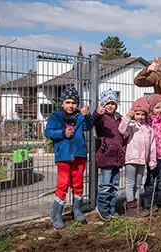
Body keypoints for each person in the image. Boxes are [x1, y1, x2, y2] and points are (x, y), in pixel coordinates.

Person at [44, 87, 93, 229]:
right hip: (63, 156)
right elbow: (48, 132)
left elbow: (89, 127)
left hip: (79, 155)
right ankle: (56, 213)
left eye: (74, 102)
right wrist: (62, 133)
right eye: (68, 102)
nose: (71, 105)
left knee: (78, 183)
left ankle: (77, 209)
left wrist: (88, 116)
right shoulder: (56, 117)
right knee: (63, 184)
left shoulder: (80, 117)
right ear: (62, 103)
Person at [118, 97, 157, 217]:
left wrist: (152, 160)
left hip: (142, 160)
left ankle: (137, 204)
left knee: (139, 183)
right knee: (130, 182)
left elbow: (152, 146)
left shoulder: (148, 129)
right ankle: (131, 206)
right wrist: (127, 118)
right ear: (133, 113)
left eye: (142, 114)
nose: (140, 117)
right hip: (131, 158)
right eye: (137, 114)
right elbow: (121, 130)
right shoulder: (131, 126)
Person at [93, 89, 126, 221]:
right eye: (107, 103)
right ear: (103, 104)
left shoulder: (119, 118)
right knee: (105, 185)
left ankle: (112, 208)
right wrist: (97, 112)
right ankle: (102, 208)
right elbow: (94, 121)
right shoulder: (101, 118)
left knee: (114, 185)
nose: (110, 106)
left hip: (117, 156)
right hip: (106, 155)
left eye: (113, 103)